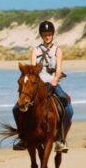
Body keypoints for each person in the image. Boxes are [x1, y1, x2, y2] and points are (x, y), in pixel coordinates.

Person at [12, 20, 74, 152]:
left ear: (52, 35)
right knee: (16, 108)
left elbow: (58, 69)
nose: (47, 36)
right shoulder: (35, 50)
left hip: (52, 82)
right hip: (38, 83)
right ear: (41, 35)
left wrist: (55, 80)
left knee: (68, 108)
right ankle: (22, 137)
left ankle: (60, 139)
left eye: (49, 34)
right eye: (45, 34)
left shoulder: (58, 50)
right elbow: (33, 70)